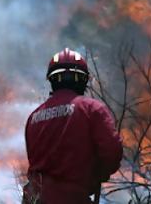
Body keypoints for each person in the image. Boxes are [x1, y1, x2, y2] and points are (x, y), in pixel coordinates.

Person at [23, 48, 123, 204]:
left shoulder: (33, 117)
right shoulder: (92, 109)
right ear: (83, 80)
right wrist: (98, 175)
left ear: (52, 80)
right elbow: (112, 152)